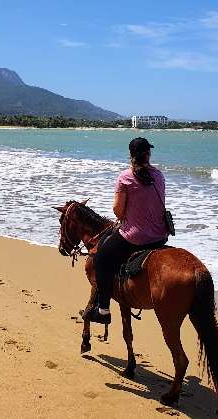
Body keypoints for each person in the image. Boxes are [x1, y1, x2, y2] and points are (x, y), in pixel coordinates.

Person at [84, 137, 169, 324]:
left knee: (101, 259)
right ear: (148, 154)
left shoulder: (125, 177)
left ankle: (103, 310)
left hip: (135, 237)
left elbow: (118, 211)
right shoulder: (159, 175)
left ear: (131, 155)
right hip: (160, 235)